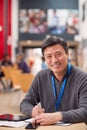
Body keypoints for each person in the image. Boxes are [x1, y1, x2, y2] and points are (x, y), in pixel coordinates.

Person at [20, 36, 87, 125]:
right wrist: (33, 111)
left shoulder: (83, 78)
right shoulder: (41, 76)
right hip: (49, 127)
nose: (54, 60)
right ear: (44, 58)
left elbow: (85, 111)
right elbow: (25, 103)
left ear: (67, 54)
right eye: (49, 56)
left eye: (58, 54)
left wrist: (57, 116)